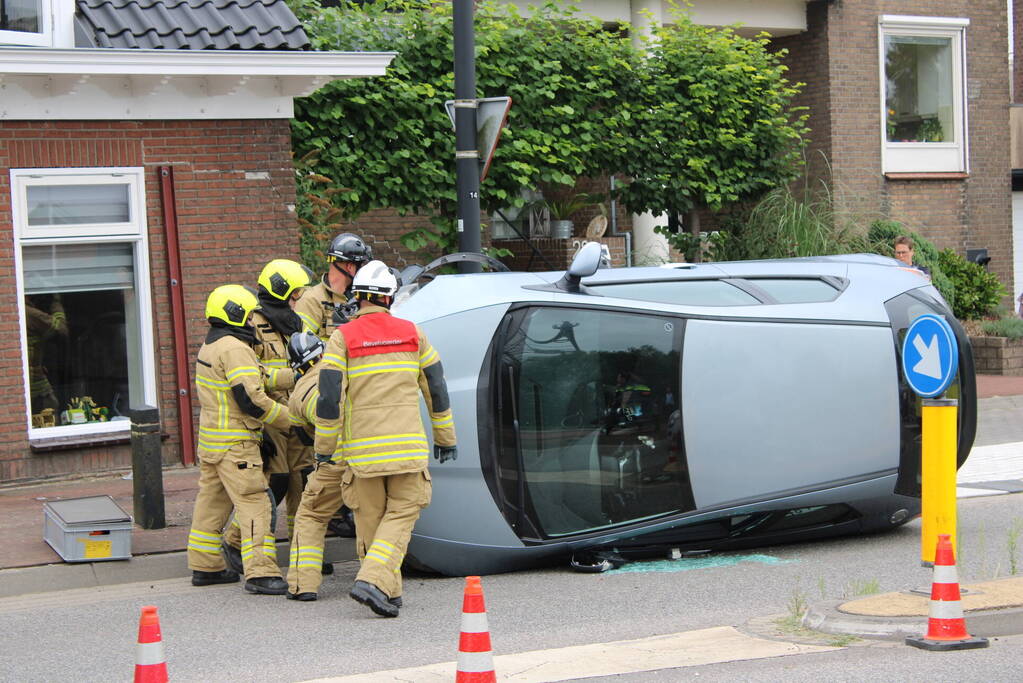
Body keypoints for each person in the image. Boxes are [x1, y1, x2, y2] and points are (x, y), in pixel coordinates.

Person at [314, 260, 457, 617]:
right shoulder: (413, 333)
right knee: (404, 512)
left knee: (371, 520)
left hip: (363, 454)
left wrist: (324, 449)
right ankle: (375, 580)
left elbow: (329, 398)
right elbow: (436, 390)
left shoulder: (341, 337)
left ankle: (386, 592)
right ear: (389, 298)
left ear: (358, 297)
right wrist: (446, 438)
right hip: (406, 448)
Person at [187, 284, 292, 595]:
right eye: (247, 316)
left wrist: (296, 375)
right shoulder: (236, 348)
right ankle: (260, 573)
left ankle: (206, 566)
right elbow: (252, 399)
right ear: (234, 314)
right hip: (237, 445)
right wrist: (291, 420)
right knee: (255, 504)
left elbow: (259, 376)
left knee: (211, 503)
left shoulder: (212, 344)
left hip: (212, 442)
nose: (251, 323)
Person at [221, 259, 318, 573]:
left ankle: (303, 552)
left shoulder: (297, 322)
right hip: (273, 416)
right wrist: (289, 375)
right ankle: (235, 541)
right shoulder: (254, 324)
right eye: (294, 293)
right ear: (280, 290)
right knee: (274, 482)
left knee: (302, 481)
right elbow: (254, 375)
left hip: (299, 410)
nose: (297, 299)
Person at [283, 330, 338, 601]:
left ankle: (302, 585)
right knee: (370, 516)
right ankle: (379, 583)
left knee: (311, 518)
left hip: (331, 463)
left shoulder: (296, 396)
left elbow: (304, 437)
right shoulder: (344, 373)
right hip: (365, 456)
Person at [294, 232, 373, 341]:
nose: (363, 271)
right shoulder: (311, 300)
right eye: (360, 266)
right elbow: (301, 343)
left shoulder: (360, 298)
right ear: (350, 267)